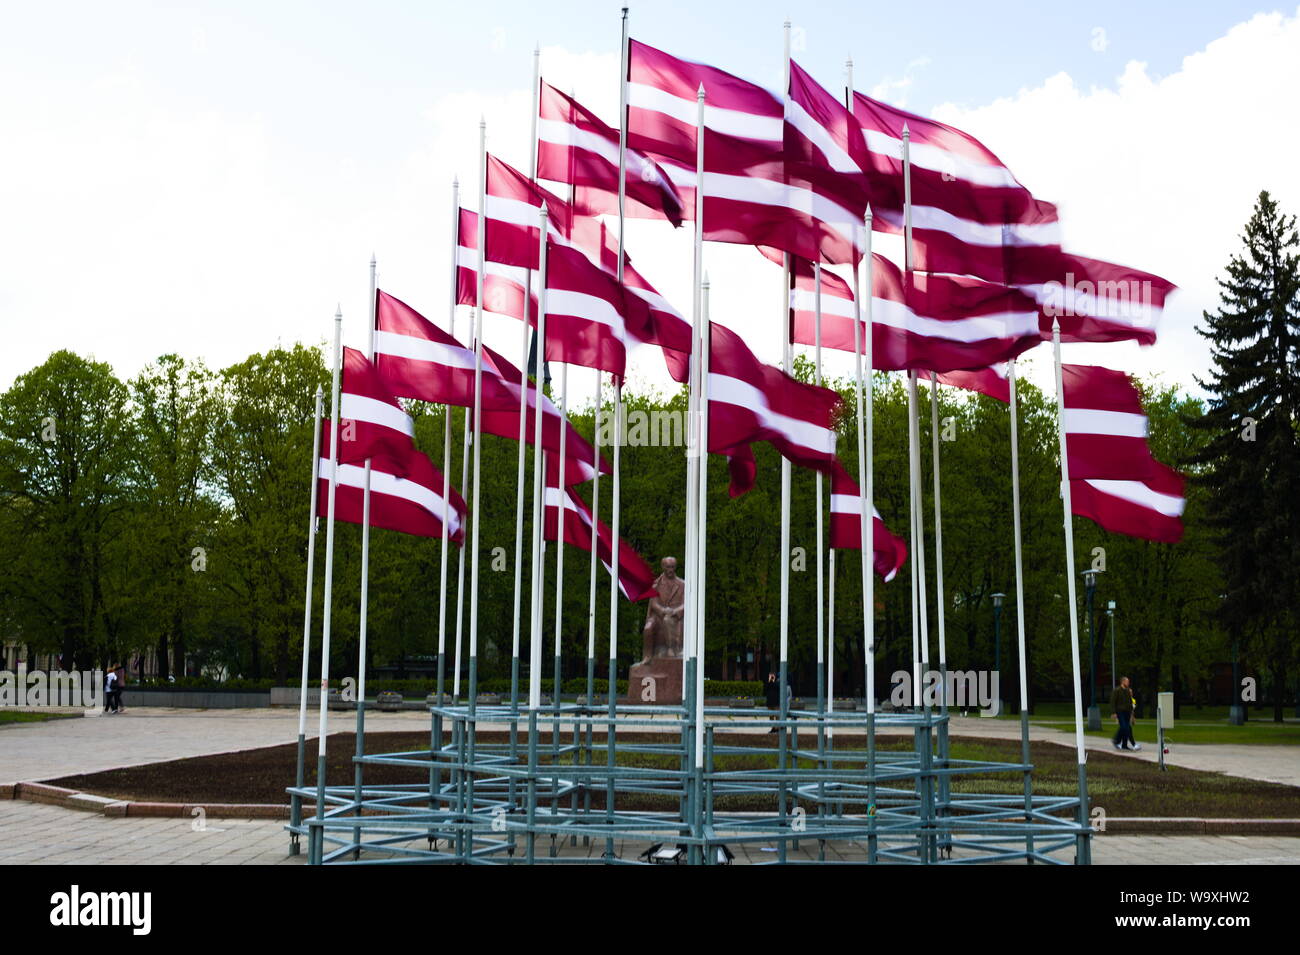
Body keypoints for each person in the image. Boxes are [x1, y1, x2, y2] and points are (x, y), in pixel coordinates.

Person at [1111, 676, 1140, 751]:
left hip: (1127, 712)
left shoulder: (1128, 691)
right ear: (1123, 682)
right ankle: (1116, 740)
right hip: (1120, 711)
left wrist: (1132, 714)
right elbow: (1113, 702)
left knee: (1127, 728)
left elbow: (1130, 702)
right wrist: (1114, 712)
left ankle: (1124, 744)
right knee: (1124, 727)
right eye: (1127, 681)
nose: (1128, 683)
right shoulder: (1117, 690)